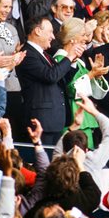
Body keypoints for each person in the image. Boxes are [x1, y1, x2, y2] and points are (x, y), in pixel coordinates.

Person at [16, 15, 85, 145]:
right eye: (50, 32)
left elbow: (61, 79)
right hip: (41, 122)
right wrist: (69, 57)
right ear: (37, 31)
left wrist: (73, 61)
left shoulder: (44, 55)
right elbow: (50, 76)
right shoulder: (27, 54)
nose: (53, 37)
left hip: (54, 120)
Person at [54, 18, 109, 146]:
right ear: (72, 38)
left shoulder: (79, 61)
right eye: (83, 35)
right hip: (73, 118)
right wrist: (91, 74)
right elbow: (71, 90)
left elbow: (94, 93)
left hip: (85, 116)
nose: (87, 39)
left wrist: (98, 75)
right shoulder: (59, 59)